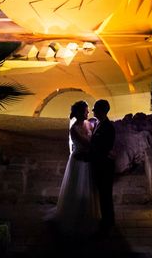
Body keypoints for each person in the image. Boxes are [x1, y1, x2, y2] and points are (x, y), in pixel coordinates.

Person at [46, 100, 101, 236]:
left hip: (88, 160)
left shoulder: (90, 124)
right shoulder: (74, 129)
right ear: (79, 112)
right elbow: (86, 144)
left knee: (88, 188)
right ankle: (76, 216)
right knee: (77, 187)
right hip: (79, 161)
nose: (88, 112)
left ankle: (88, 213)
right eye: (86, 110)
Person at [90, 99, 116, 236]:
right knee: (103, 195)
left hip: (104, 167)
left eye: (96, 110)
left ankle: (107, 223)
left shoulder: (108, 127)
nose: (94, 112)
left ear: (102, 111)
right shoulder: (98, 124)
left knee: (105, 195)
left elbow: (105, 147)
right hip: (101, 165)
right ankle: (107, 221)